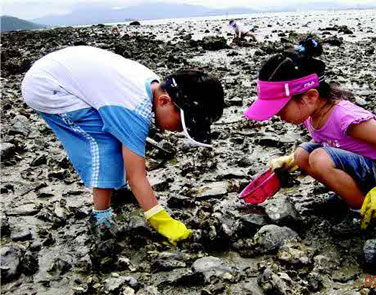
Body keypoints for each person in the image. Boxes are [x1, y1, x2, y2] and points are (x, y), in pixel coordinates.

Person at [21, 46, 224, 245]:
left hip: (61, 71)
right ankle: (101, 216)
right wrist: (161, 221)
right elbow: (136, 176)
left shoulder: (151, 85)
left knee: (119, 140)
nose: (180, 130)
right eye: (182, 123)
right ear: (164, 101)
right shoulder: (133, 110)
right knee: (105, 144)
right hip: (48, 87)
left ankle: (115, 190)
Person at [243, 44, 376, 230]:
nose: (278, 116)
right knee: (301, 155)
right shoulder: (312, 115)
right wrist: (290, 160)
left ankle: (361, 208)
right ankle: (345, 198)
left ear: (310, 97)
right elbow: (326, 142)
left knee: (319, 158)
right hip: (357, 166)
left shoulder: (344, 117)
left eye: (280, 109)